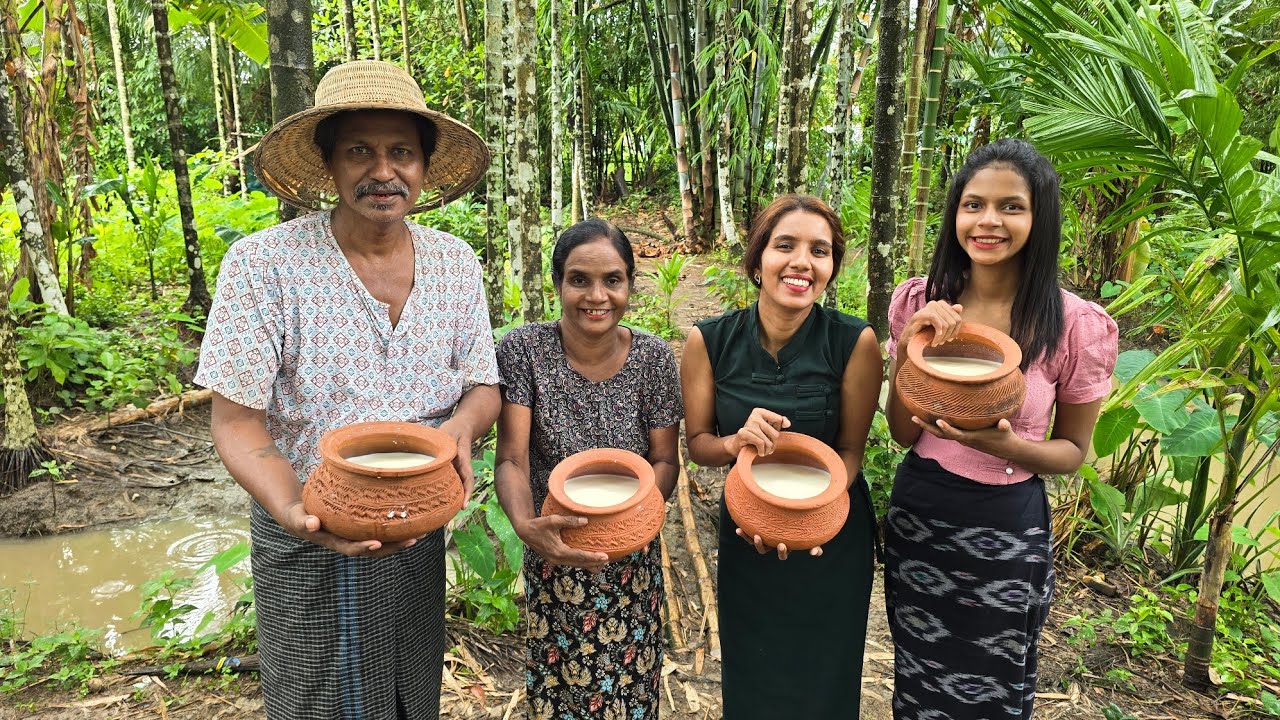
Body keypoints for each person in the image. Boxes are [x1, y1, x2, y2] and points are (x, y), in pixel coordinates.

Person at [196, 60, 499, 720]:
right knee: (314, 700)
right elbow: (236, 421)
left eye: (401, 153)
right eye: (360, 150)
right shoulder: (264, 265)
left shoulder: (454, 262)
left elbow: (482, 385)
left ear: (423, 167)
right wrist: (293, 507)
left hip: (416, 526)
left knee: (408, 695)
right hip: (308, 527)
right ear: (329, 163)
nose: (382, 172)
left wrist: (464, 429)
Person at [884, 138, 1118, 720]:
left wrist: (1009, 446)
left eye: (1011, 206)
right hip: (921, 515)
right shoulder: (920, 301)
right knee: (919, 678)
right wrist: (907, 348)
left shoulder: (1075, 326)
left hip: (1008, 529)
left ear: (1039, 219)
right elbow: (901, 433)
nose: (989, 221)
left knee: (995, 685)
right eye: (973, 205)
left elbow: (1073, 453)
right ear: (955, 214)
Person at [681, 195, 882, 717]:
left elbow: (851, 451)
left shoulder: (853, 341)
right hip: (749, 532)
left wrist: (813, 518)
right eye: (785, 245)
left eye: (819, 250)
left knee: (825, 677)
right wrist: (735, 442)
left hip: (832, 537)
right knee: (754, 676)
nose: (801, 262)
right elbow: (700, 444)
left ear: (831, 267)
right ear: (757, 260)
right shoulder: (709, 342)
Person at [493, 219, 682, 720]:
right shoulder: (524, 351)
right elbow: (512, 458)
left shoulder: (654, 360)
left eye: (612, 280)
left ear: (629, 285)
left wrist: (629, 516)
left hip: (633, 563)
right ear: (558, 284)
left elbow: (665, 461)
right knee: (559, 694)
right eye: (579, 280)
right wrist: (526, 528)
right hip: (554, 549)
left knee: (630, 693)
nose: (596, 295)